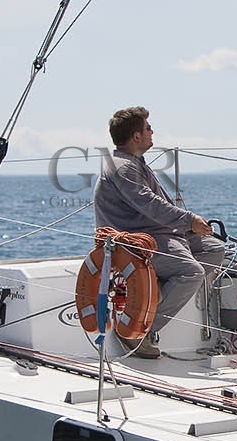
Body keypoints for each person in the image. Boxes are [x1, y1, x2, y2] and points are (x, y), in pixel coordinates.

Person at [93, 106, 226, 358]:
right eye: (147, 128)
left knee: (214, 249)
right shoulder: (123, 167)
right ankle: (136, 330)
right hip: (137, 243)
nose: (152, 132)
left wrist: (190, 230)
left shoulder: (134, 163)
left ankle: (153, 293)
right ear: (136, 136)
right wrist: (189, 221)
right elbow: (151, 205)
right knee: (191, 271)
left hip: (161, 237)